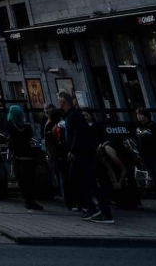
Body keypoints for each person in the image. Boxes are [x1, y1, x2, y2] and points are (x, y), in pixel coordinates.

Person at [58, 90, 113, 223]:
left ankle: (104, 212)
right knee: (81, 182)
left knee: (89, 182)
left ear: (63, 102)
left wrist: (73, 151)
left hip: (82, 155)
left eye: (59, 100)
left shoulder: (74, 116)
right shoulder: (71, 115)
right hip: (81, 154)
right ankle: (91, 208)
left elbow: (79, 134)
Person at [7, 105, 43, 210]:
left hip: (17, 156)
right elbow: (30, 137)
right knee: (29, 179)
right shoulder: (27, 127)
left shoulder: (11, 127)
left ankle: (27, 200)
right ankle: (31, 200)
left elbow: (10, 141)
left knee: (22, 180)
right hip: (27, 155)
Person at [43, 104, 71, 209]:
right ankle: (68, 201)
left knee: (63, 177)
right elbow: (51, 141)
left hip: (57, 155)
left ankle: (68, 200)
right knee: (64, 177)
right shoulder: (53, 125)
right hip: (58, 154)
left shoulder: (50, 124)